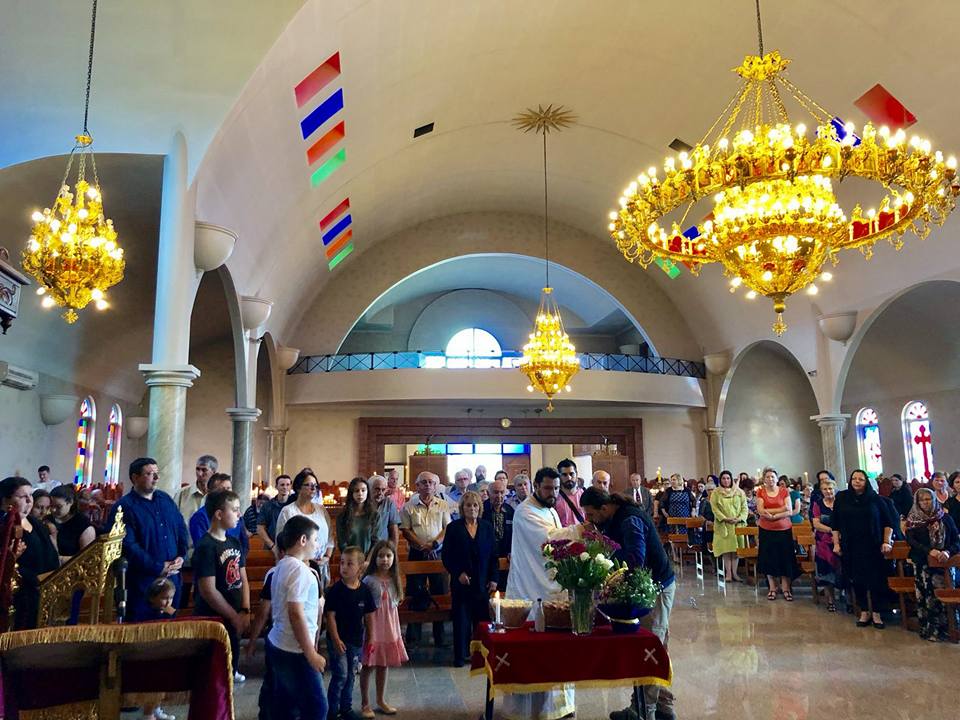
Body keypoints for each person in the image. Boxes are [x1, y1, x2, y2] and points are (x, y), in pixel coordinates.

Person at [579, 488, 675, 720]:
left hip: (653, 588)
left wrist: (612, 577)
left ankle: (643, 712)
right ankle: (662, 706)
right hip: (649, 586)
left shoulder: (629, 520)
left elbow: (635, 559)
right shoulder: (616, 516)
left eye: (591, 514)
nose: (589, 519)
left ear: (604, 508)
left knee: (649, 648)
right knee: (658, 646)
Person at [503, 467, 575, 720]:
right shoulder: (525, 511)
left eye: (556, 488)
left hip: (549, 584)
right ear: (536, 486)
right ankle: (529, 711)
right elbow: (551, 539)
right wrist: (580, 530)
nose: (553, 493)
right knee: (533, 651)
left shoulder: (550, 509)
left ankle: (559, 707)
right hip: (529, 586)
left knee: (557, 649)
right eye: (547, 488)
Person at [106, 458, 189, 621]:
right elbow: (128, 545)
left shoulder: (165, 499)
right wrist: (158, 566)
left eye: (157, 473)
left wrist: (181, 555)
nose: (156, 478)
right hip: (143, 582)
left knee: (169, 625)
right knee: (143, 628)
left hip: (172, 578)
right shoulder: (124, 507)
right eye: (150, 474)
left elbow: (181, 528)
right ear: (135, 477)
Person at [266, 515, 327, 720]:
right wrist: (311, 653)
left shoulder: (282, 565)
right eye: (315, 539)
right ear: (303, 540)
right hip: (296, 649)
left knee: (287, 705)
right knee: (317, 707)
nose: (317, 544)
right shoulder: (301, 571)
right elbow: (295, 612)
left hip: (280, 642)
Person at [194, 489, 250, 682]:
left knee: (230, 668)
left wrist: (245, 609)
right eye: (234, 510)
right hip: (214, 617)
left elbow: (243, 577)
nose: (239, 514)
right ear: (219, 514)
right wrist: (234, 616)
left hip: (234, 614)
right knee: (215, 674)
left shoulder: (234, 542)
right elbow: (208, 590)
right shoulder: (206, 546)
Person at [832, 469, 895, 629]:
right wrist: (836, 544)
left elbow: (888, 522)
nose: (857, 481)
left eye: (860, 479)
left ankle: (877, 613)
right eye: (854, 478)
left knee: (876, 580)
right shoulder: (842, 498)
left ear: (866, 481)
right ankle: (864, 611)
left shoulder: (875, 499)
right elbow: (835, 523)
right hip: (851, 544)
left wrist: (886, 541)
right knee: (857, 579)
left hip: (873, 545)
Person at [442, 491, 498, 667]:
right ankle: (460, 656)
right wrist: (458, 573)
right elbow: (447, 556)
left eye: (475, 505)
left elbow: (493, 556)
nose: (472, 508)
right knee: (461, 621)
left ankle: (480, 656)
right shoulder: (453, 528)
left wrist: (494, 578)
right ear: (462, 508)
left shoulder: (487, 527)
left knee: (481, 621)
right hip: (462, 583)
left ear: (479, 507)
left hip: (482, 582)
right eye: (468, 505)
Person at [400, 471, 451, 647]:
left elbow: (447, 528)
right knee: (415, 593)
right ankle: (413, 638)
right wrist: (423, 546)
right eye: (424, 482)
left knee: (440, 592)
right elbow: (406, 530)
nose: (428, 485)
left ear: (436, 486)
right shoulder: (408, 506)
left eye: (431, 482)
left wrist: (434, 544)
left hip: (439, 554)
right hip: (417, 553)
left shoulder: (443, 505)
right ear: (417, 486)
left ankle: (440, 637)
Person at [325, 546, 377, 720]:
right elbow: (330, 616)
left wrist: (370, 638)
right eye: (342, 563)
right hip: (338, 640)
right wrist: (335, 638)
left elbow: (369, 616)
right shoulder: (336, 590)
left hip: (355, 640)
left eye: (349, 564)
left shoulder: (365, 591)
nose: (344, 567)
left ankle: (346, 708)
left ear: (360, 568)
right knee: (340, 675)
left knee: (351, 675)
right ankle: (332, 711)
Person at [0, 476, 58, 629]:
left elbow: (51, 555)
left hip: (43, 590)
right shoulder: (4, 527)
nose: (29, 501)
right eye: (22, 496)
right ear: (6, 501)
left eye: (31, 495)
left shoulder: (36, 523)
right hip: (19, 597)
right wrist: (11, 557)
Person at [360, 540, 407, 718]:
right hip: (373, 626)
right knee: (368, 665)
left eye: (388, 556)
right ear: (375, 558)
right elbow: (364, 606)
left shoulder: (395, 579)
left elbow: (395, 602)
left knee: (383, 663)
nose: (385, 559)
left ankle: (381, 700)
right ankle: (365, 703)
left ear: (394, 558)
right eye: (380, 556)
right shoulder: (369, 580)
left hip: (389, 625)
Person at [904, 487, 958, 641]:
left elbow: (956, 540)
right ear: (917, 502)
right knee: (928, 596)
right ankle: (930, 629)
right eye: (922, 500)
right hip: (923, 563)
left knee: (945, 595)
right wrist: (929, 551)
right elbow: (912, 541)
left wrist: (947, 552)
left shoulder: (945, 518)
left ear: (934, 500)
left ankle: (949, 628)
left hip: (944, 564)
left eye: (928, 499)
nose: (925, 502)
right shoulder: (913, 520)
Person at [275, 469, 335, 583]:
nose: (313, 488)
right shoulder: (288, 511)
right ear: (298, 488)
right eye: (308, 485)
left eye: (315, 486)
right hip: (297, 568)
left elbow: (330, 536)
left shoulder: (321, 510)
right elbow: (281, 542)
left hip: (321, 565)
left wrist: (327, 556)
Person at [756, 467, 799, 601]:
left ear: (777, 478)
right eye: (767, 477)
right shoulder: (760, 492)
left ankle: (786, 588)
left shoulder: (784, 491)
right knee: (769, 558)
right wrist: (781, 510)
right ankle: (772, 588)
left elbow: (789, 510)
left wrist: (773, 515)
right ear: (764, 479)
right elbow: (760, 510)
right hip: (766, 530)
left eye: (772, 477)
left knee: (784, 558)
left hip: (783, 530)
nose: (770, 479)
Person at [188, 473, 249, 558]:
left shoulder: (237, 516)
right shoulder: (199, 517)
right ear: (210, 492)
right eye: (222, 490)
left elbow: (244, 543)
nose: (227, 493)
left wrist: (239, 561)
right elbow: (203, 549)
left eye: (229, 489)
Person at [810, 476, 842, 612]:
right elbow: (816, 524)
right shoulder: (818, 504)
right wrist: (832, 530)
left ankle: (848, 599)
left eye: (830, 489)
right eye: (825, 489)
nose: (828, 491)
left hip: (841, 539)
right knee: (826, 570)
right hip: (824, 541)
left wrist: (838, 533)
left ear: (834, 489)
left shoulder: (841, 503)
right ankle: (830, 600)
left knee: (842, 569)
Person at [711, 470, 747, 583]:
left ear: (731, 479)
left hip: (737, 524)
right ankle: (728, 574)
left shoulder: (739, 492)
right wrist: (725, 518)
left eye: (728, 478)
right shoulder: (716, 492)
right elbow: (714, 508)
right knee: (726, 550)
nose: (726, 480)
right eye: (723, 478)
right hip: (724, 525)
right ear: (720, 480)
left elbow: (744, 507)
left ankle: (735, 573)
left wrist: (739, 518)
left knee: (736, 550)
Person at [48, 484, 95, 563]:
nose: (53, 510)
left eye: (58, 506)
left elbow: (86, 558)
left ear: (70, 502)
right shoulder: (49, 519)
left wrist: (58, 559)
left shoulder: (83, 525)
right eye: (51, 506)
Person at [483, 478, 514, 590]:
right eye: (496, 492)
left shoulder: (509, 510)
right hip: (486, 558)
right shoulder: (481, 510)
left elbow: (513, 534)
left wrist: (511, 550)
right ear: (488, 493)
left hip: (505, 557)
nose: (499, 496)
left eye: (502, 492)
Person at [336, 476, 378, 554]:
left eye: (363, 490)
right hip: (349, 558)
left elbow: (376, 542)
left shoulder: (375, 515)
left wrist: (368, 559)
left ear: (367, 492)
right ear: (351, 493)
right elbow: (342, 544)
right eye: (356, 491)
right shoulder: (342, 517)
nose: (360, 494)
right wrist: (354, 559)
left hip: (370, 558)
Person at [177, 454, 217, 533]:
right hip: (187, 539)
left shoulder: (218, 496)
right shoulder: (181, 494)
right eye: (197, 469)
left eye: (204, 470)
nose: (199, 473)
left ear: (213, 473)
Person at [257, 474, 293, 553]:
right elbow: (260, 528)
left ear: (290, 486)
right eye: (282, 485)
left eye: (287, 485)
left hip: (291, 547)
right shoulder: (267, 506)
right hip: (271, 547)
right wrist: (272, 545)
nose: (285, 487)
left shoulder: (294, 505)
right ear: (276, 486)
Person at [369, 475, 401, 547]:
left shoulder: (389, 504)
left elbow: (394, 532)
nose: (380, 493)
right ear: (369, 488)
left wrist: (393, 551)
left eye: (383, 490)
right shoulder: (363, 503)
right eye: (377, 489)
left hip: (382, 548)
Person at [555, 458, 584, 527]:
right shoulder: (554, 498)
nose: (569, 478)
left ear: (576, 474)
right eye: (564, 475)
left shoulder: (584, 495)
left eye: (571, 474)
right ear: (559, 476)